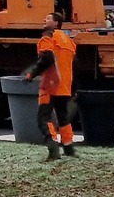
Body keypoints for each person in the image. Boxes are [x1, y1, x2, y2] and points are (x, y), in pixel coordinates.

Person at [22, 13, 77, 159]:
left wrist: (31, 74)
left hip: (50, 84)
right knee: (62, 116)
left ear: (56, 23)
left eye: (48, 18)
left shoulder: (48, 37)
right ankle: (69, 148)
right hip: (65, 84)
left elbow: (46, 58)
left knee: (43, 117)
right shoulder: (68, 41)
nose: (44, 20)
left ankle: (52, 147)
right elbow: (71, 63)